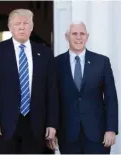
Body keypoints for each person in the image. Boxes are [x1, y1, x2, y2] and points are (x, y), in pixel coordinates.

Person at [0, 8, 59, 154]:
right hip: (3, 126)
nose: (22, 27)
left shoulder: (45, 53)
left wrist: (52, 124)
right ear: (10, 27)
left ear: (32, 26)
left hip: (36, 125)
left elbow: (52, 91)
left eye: (25, 23)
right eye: (17, 24)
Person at [47, 21, 119, 154]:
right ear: (66, 36)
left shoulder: (102, 62)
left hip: (97, 134)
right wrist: (52, 127)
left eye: (82, 34)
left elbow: (111, 98)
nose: (78, 37)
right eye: (74, 34)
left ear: (87, 36)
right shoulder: (56, 63)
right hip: (67, 134)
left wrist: (111, 129)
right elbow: (53, 99)